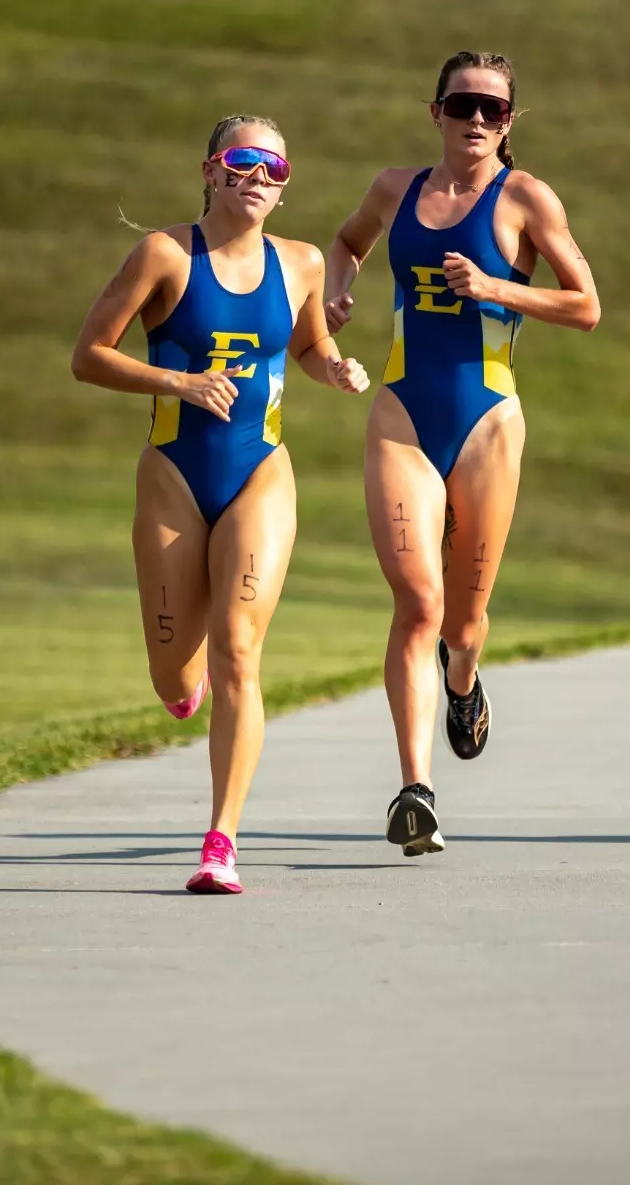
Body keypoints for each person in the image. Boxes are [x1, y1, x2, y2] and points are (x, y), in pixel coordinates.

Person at [72, 115, 369, 893]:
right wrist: (180, 382)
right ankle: (184, 682)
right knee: (173, 674)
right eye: (245, 161)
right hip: (173, 472)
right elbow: (89, 355)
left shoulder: (302, 263)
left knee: (241, 645)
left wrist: (332, 367)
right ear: (211, 170)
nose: (261, 177)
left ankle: (221, 840)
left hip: (259, 473)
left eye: (276, 167)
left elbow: (305, 344)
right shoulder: (164, 255)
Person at [324, 51, 599, 856]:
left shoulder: (526, 199)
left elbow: (586, 304)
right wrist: (337, 288)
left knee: (464, 622)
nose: (476, 120)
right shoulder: (394, 189)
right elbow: (347, 242)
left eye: (493, 109)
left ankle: (464, 682)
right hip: (403, 412)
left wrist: (497, 288)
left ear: (510, 122)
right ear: (435, 112)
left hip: (488, 421)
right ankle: (417, 790)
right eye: (462, 105)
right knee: (417, 602)